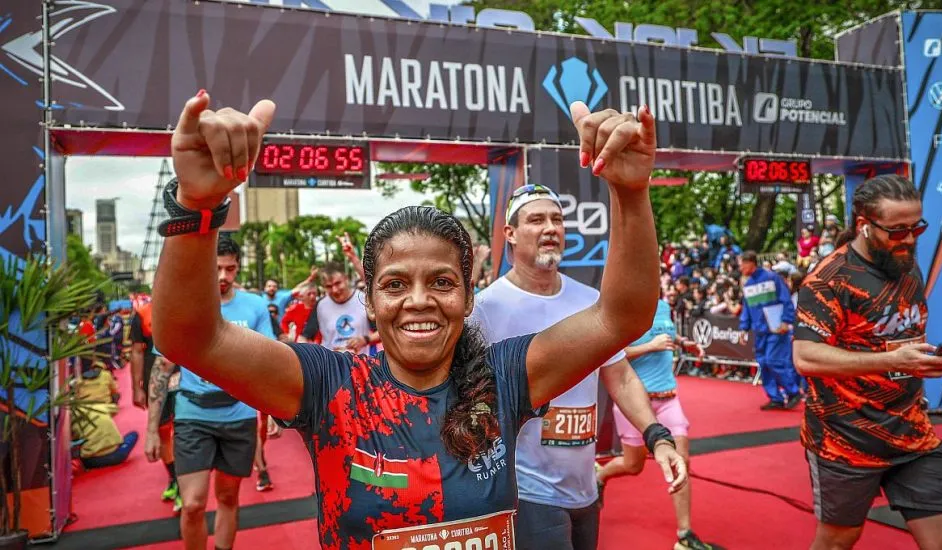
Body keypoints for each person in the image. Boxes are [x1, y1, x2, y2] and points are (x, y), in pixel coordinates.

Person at [152, 92, 685, 548]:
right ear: (370, 301)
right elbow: (188, 337)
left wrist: (630, 192)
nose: (419, 300)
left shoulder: (504, 379)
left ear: (469, 297)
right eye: (394, 284)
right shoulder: (329, 387)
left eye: (442, 282)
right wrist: (197, 206)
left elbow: (622, 314)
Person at [471, 185, 687, 550]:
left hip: (584, 489)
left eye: (557, 219)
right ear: (509, 234)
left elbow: (619, 375)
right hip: (526, 492)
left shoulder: (590, 303)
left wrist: (657, 436)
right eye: (536, 219)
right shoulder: (485, 309)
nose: (550, 228)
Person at [793, 175, 942, 550]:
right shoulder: (828, 280)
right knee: (838, 542)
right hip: (846, 438)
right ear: (865, 226)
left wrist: (924, 360)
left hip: (911, 432)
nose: (909, 239)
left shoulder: (906, 263)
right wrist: (890, 358)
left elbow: (899, 337)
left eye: (916, 227)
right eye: (897, 230)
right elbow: (805, 356)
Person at [147, 237, 275, 550]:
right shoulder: (184, 305)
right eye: (216, 268)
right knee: (192, 503)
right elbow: (162, 369)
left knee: (228, 497)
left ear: (238, 268)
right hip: (194, 414)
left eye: (230, 268)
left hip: (239, 414)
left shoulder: (255, 306)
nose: (223, 276)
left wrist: (272, 411)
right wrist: (151, 429)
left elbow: (267, 362)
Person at [598, 297, 713, 550]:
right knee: (633, 464)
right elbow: (613, 354)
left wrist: (685, 343)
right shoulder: (626, 305)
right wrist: (651, 346)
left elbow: (667, 335)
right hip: (636, 403)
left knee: (682, 460)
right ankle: (602, 475)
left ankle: (685, 534)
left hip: (669, 397)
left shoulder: (663, 305)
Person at [130, 300, 182, 509]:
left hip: (184, 382)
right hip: (156, 386)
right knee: (162, 432)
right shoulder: (142, 314)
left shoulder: (186, 308)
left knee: (184, 430)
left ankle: (182, 482)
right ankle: (173, 477)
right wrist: (136, 388)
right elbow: (136, 351)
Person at [739, 251, 803, 410]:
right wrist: (743, 328)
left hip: (777, 329)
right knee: (763, 363)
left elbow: (786, 300)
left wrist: (786, 322)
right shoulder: (748, 285)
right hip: (759, 331)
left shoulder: (772, 278)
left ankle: (793, 392)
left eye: (742, 264)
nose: (740, 268)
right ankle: (775, 398)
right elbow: (747, 308)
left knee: (773, 361)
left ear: (750, 263)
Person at [297, 262, 378, 352]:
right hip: (331, 364)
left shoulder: (362, 299)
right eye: (329, 286)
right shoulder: (321, 305)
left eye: (338, 283)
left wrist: (364, 340)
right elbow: (304, 337)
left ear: (346, 279)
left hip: (360, 363)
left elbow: (382, 333)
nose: (335, 290)